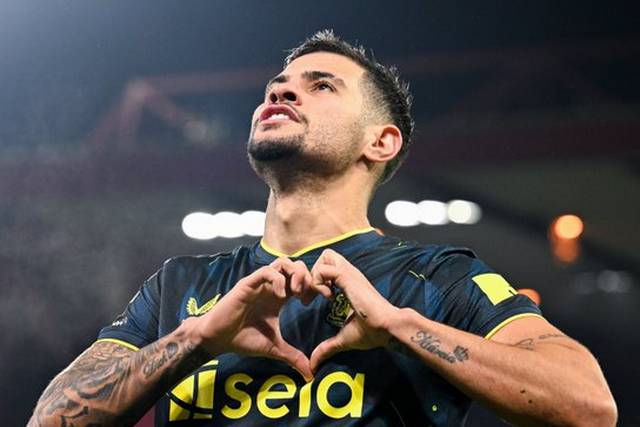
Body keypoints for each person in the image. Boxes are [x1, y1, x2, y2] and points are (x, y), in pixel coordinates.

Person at [29, 30, 617, 427]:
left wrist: (398, 326)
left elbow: (589, 406)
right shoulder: (178, 287)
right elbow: (51, 420)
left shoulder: (437, 278)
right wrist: (200, 337)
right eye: (277, 85)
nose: (281, 90)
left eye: (321, 86)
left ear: (380, 142)